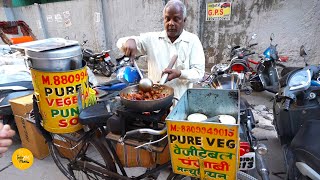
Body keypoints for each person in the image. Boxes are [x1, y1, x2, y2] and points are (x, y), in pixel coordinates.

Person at [117, 0, 205, 99]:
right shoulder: (152, 39)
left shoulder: (192, 40)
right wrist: (129, 41)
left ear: (184, 20)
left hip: (181, 100)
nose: (171, 23)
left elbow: (199, 73)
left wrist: (180, 73)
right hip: (155, 101)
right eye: (167, 19)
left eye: (176, 19)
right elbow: (122, 42)